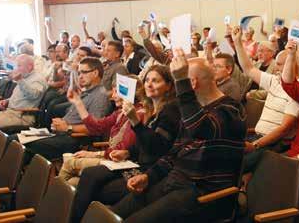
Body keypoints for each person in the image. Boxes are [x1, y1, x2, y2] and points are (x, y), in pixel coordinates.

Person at [110, 51, 246, 222]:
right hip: (176, 180)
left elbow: (201, 129)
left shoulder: (231, 110)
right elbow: (174, 152)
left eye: (178, 83)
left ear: (192, 84)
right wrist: (148, 177)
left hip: (203, 193)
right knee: (115, 213)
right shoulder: (195, 112)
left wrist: (181, 79)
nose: (177, 89)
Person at [70, 65, 180, 221]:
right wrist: (127, 152)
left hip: (151, 170)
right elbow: (139, 143)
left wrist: (134, 120)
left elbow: (156, 147)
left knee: (94, 186)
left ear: (169, 86)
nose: (149, 84)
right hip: (133, 161)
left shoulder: (169, 111)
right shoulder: (151, 108)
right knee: (89, 175)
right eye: (147, 80)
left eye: (155, 81)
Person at [232, 27, 299, 173]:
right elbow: (248, 69)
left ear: (294, 65)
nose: (275, 67)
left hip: (272, 143)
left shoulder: (298, 91)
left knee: (233, 166)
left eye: (280, 64)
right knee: (222, 155)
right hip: (257, 136)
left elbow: (284, 129)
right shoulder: (276, 81)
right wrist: (237, 42)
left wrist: (256, 145)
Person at [58, 78, 145, 186]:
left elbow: (123, 149)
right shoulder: (119, 112)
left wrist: (93, 154)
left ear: (131, 92)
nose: (112, 96)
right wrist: (78, 102)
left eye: (116, 91)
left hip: (122, 164)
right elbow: (97, 127)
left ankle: (50, 198)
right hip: (110, 159)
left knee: (69, 163)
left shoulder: (138, 115)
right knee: (72, 182)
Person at [23, 57, 110, 161]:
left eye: (84, 72)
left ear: (95, 73)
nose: (80, 76)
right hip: (61, 134)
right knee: (17, 137)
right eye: (79, 73)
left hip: (75, 140)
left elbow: (95, 128)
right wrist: (60, 123)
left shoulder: (100, 96)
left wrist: (67, 127)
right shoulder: (86, 91)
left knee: (24, 146)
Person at [0, 54, 47, 129]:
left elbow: (34, 95)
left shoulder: (38, 79)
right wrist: (7, 101)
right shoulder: (24, 77)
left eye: (19, 66)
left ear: (30, 66)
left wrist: (20, 80)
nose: (16, 69)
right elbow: (22, 96)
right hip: (11, 112)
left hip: (22, 116)